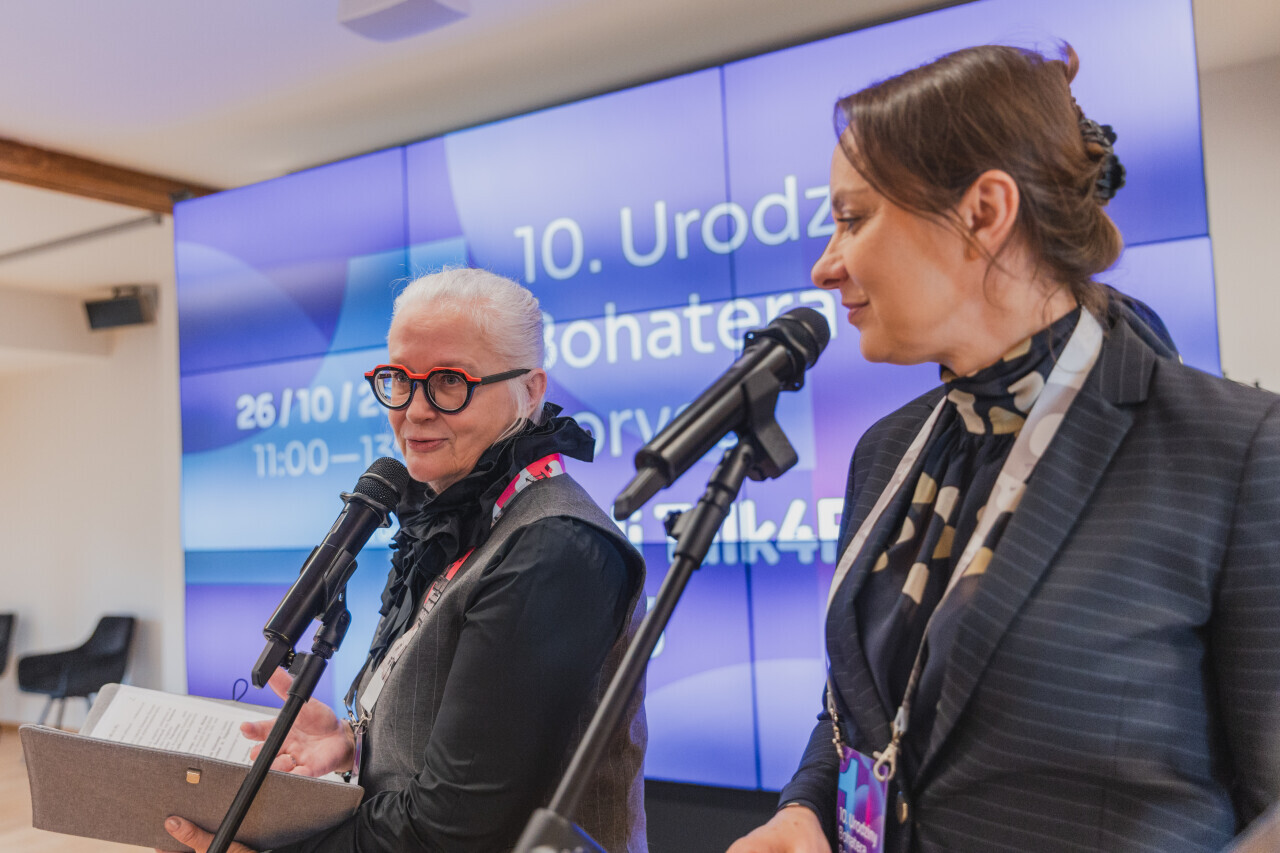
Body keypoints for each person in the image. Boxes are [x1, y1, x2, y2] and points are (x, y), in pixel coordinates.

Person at [728, 44, 1280, 852]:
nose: (826, 266)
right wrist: (804, 807)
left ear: (984, 212)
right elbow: (871, 701)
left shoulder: (1236, 450)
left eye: (852, 219)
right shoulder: (889, 449)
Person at [162, 268, 648, 852]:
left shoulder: (555, 549)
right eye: (399, 379)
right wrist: (359, 742)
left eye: (449, 381)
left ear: (531, 389)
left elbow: (453, 827)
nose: (414, 410)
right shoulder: (460, 511)